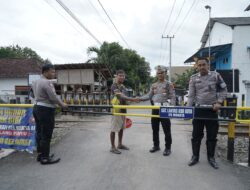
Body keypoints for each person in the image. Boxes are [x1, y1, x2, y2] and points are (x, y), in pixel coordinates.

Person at [187, 57, 227, 169]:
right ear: (197, 66)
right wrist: (188, 110)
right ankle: (195, 156)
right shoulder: (193, 78)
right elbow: (191, 95)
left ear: (208, 65)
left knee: (212, 136)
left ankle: (211, 158)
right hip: (199, 111)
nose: (201, 67)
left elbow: (224, 90)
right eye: (199, 65)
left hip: (212, 110)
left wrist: (219, 102)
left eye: (203, 64)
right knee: (196, 136)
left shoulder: (216, 75)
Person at [31, 64, 67, 165]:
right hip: (45, 109)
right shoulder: (47, 83)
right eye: (52, 72)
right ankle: (45, 158)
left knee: (39, 132)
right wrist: (62, 104)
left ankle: (41, 155)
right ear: (45, 72)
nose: (53, 74)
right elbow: (53, 97)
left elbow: (32, 94)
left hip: (37, 108)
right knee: (46, 133)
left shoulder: (35, 82)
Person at [140, 65, 175, 156]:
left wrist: (171, 107)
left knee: (166, 130)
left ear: (165, 73)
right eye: (158, 73)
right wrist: (139, 98)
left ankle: (168, 148)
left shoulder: (169, 84)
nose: (160, 74)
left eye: (161, 73)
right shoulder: (154, 85)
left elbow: (172, 97)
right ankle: (156, 145)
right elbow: (149, 95)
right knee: (155, 128)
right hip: (155, 108)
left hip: (164, 108)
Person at [110, 70, 139, 154]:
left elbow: (125, 97)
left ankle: (119, 144)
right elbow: (121, 95)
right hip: (116, 110)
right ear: (116, 76)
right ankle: (112, 147)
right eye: (120, 75)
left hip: (123, 110)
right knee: (114, 128)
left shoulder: (123, 86)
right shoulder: (114, 86)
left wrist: (132, 100)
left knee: (122, 128)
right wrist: (133, 99)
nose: (122, 77)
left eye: (123, 76)